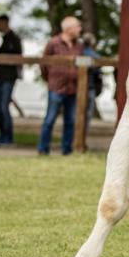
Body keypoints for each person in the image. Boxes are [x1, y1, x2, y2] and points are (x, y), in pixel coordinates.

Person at [38, 16, 83, 156]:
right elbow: (43, 64)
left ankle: (66, 151)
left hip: (73, 88)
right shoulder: (53, 43)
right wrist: (50, 79)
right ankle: (43, 149)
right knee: (50, 119)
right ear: (69, 29)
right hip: (56, 88)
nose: (80, 29)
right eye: (77, 27)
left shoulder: (79, 45)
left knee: (70, 121)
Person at [0, 14, 23, 146]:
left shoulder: (14, 39)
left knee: (4, 106)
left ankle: (8, 137)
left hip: (9, 76)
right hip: (0, 75)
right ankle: (2, 135)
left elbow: (18, 57)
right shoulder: (3, 39)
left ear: (5, 23)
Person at [81, 32, 103, 137]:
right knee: (87, 115)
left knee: (74, 115)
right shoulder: (96, 56)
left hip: (76, 89)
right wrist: (98, 89)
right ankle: (82, 138)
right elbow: (99, 76)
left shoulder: (78, 52)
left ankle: (74, 140)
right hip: (90, 88)